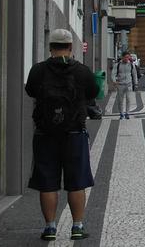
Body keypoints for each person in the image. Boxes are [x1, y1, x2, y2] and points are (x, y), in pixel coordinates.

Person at [25, 29, 99, 241]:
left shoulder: (38, 70)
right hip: (74, 133)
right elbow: (93, 92)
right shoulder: (82, 71)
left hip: (45, 134)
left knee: (47, 182)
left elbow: (30, 91)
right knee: (77, 181)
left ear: (50, 47)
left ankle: (50, 228)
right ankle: (77, 227)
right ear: (70, 47)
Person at [112, 52, 136, 119]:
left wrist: (135, 83)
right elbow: (113, 73)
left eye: (128, 57)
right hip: (120, 84)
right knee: (120, 100)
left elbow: (134, 74)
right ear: (122, 57)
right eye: (125, 57)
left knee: (128, 99)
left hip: (129, 84)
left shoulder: (131, 65)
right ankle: (121, 113)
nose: (126, 58)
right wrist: (114, 81)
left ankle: (127, 113)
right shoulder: (118, 65)